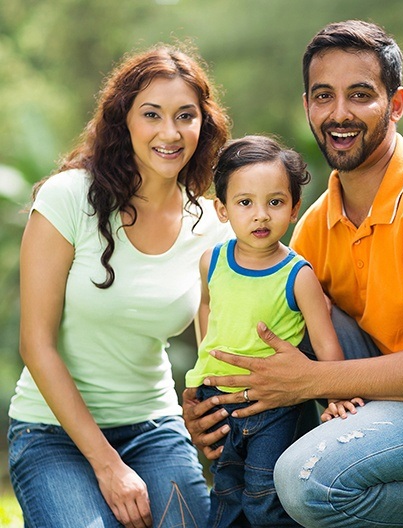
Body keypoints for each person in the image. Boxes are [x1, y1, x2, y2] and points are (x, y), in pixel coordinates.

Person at [182, 19, 403, 528]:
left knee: (307, 481)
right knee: (290, 323)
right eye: (324, 96)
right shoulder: (315, 225)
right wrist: (215, 404)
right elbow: (274, 345)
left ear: (396, 104)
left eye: (360, 95)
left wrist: (314, 381)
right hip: (393, 393)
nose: (339, 113)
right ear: (307, 107)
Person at [8, 43, 233, 528]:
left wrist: (204, 409)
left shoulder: (214, 226)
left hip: (154, 428)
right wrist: (108, 465)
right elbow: (35, 344)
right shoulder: (68, 199)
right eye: (151, 114)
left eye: (185, 116)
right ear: (124, 120)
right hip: (51, 434)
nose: (170, 133)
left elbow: (216, 347)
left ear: (203, 124)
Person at [185, 134, 362, 528]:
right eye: (245, 203)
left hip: (276, 407)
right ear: (222, 209)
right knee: (227, 492)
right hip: (220, 400)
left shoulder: (297, 275)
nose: (261, 215)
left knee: (264, 498)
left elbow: (324, 340)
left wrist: (336, 395)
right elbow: (207, 306)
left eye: (275, 202)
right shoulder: (211, 262)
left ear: (295, 208)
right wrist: (203, 367)